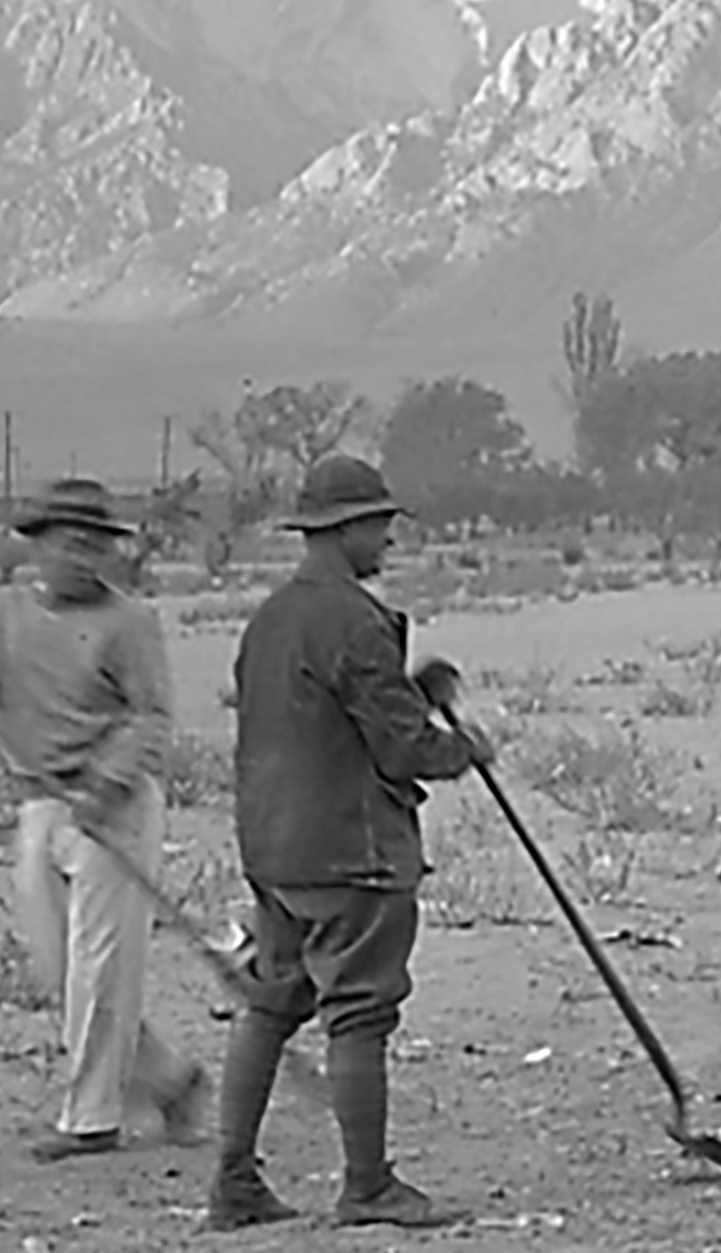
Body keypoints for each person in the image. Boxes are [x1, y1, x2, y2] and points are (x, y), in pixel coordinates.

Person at [0, 477, 204, 1161]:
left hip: (114, 807)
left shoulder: (130, 623)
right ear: (39, 546)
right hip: (41, 802)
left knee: (100, 968)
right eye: (70, 544)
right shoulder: (1, 613)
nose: (84, 559)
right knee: (63, 971)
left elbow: (152, 717)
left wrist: (105, 784)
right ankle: (170, 1080)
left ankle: (91, 1121)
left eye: (98, 546)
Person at [209, 455, 490, 1229]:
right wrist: (465, 749)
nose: (389, 539)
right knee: (359, 1013)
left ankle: (233, 1183)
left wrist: (413, 689)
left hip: (274, 848)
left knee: (270, 1003)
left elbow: (325, 713)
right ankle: (368, 1187)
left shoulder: (270, 618)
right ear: (345, 528)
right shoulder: (355, 620)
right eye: (380, 524)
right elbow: (399, 749)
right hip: (349, 851)